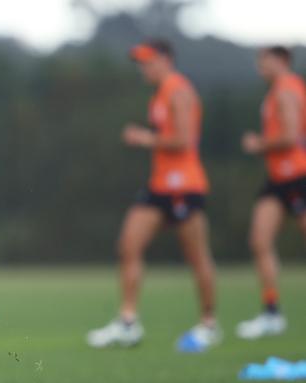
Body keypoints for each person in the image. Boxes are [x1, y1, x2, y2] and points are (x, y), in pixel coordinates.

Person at [86, 39, 220, 352]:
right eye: (141, 63)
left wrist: (145, 138)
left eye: (148, 62)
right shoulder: (159, 94)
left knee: (197, 255)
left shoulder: (178, 89)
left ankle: (209, 324)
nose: (143, 68)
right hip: (159, 186)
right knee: (128, 245)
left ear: (166, 60)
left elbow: (184, 139)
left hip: (185, 186)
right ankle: (128, 322)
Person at [237, 46, 306, 339]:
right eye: (259, 62)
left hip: (298, 175)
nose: (260, 67)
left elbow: (290, 136)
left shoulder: (286, 89)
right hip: (277, 179)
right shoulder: (277, 90)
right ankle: (271, 312)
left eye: (266, 62)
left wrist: (259, 144)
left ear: (283, 61)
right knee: (259, 240)